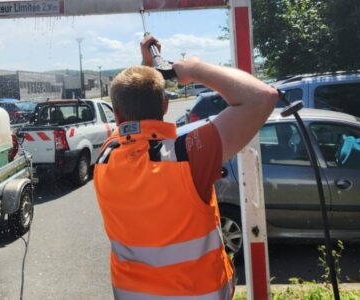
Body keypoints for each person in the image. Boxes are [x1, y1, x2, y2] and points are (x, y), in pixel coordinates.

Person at [94, 35, 279, 300]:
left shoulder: (105, 156)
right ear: (166, 106)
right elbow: (262, 96)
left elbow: (129, 117)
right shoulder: (186, 155)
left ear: (115, 114)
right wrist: (194, 69)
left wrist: (145, 70)